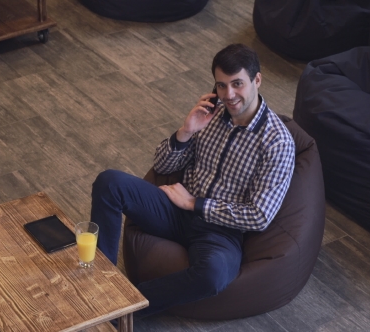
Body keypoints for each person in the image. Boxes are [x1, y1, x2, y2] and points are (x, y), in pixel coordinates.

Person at [91, 43, 295, 317]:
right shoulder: (210, 115)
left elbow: (259, 216)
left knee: (212, 276)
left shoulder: (277, 143)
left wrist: (195, 204)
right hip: (174, 210)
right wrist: (185, 132)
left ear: (257, 80)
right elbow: (162, 165)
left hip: (220, 230)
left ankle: (120, 311)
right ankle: (96, 286)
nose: (229, 95)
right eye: (221, 86)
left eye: (237, 84)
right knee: (109, 182)